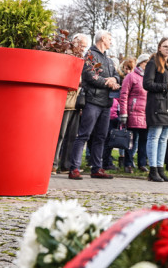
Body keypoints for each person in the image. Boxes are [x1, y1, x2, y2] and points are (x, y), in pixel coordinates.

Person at [66, 31, 121, 180]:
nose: (111, 41)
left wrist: (114, 80)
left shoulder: (109, 60)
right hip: (92, 101)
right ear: (102, 39)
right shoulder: (90, 55)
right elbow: (90, 75)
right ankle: (74, 168)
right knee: (84, 135)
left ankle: (97, 168)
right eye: (110, 39)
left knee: (101, 137)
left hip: (106, 103)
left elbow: (116, 75)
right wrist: (107, 82)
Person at [143, 37, 168, 182]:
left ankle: (160, 168)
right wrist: (167, 86)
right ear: (159, 47)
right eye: (165, 46)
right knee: (154, 137)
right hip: (157, 106)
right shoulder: (153, 63)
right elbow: (147, 84)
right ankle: (153, 170)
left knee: (164, 138)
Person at [54, 33, 89, 172]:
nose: (83, 49)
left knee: (72, 134)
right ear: (75, 43)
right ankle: (53, 163)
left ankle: (66, 164)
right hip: (66, 99)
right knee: (61, 134)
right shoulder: (67, 56)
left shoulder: (83, 60)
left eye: (85, 47)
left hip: (76, 101)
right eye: (82, 46)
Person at [118, 54, 149, 173]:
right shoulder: (131, 76)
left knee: (144, 140)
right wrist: (124, 113)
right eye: (145, 62)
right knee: (131, 140)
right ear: (140, 63)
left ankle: (142, 163)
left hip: (146, 114)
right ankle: (128, 163)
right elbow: (124, 95)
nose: (147, 65)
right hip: (133, 112)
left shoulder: (149, 78)